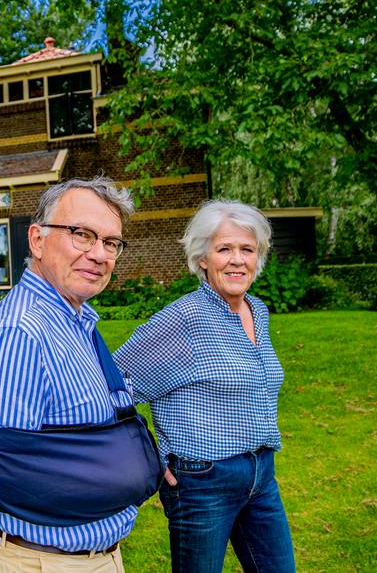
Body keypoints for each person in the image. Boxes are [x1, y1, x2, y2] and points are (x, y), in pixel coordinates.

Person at [0, 177, 152, 572]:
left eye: (110, 243)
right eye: (82, 235)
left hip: (93, 556)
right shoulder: (21, 333)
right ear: (37, 240)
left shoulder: (75, 320)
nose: (99, 254)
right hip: (44, 562)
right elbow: (8, 474)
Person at [113, 199, 296, 573]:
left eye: (246, 249)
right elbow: (114, 383)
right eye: (224, 249)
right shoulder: (185, 318)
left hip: (261, 475)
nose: (237, 259)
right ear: (203, 258)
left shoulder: (256, 311)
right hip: (203, 483)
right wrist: (150, 452)